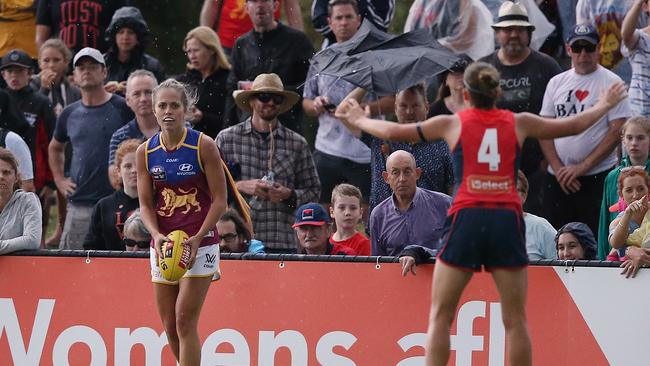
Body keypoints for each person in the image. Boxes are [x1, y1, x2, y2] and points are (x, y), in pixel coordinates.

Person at [335, 61, 627, 366]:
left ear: (465, 94)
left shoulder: (454, 123)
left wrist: (359, 118)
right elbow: (573, 125)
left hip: (468, 218)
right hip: (505, 220)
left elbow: (396, 131)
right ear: (498, 92)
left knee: (441, 316)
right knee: (515, 321)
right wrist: (605, 104)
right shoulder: (518, 122)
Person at [136, 78, 227, 366]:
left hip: (200, 243)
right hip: (163, 245)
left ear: (186, 110)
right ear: (153, 108)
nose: (168, 111)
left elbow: (220, 201)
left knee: (185, 320)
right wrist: (155, 234)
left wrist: (199, 236)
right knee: (169, 325)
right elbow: (146, 204)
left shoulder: (204, 145)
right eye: (162, 105)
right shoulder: (145, 152)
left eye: (175, 105)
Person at [540, 23, 631, 235]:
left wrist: (581, 167)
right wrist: (559, 167)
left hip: (596, 175)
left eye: (588, 48)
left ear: (598, 48)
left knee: (596, 235)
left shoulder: (612, 82)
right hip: (559, 177)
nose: (583, 54)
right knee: (557, 235)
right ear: (568, 49)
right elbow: (544, 128)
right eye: (577, 47)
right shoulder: (556, 82)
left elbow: (616, 131)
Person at [216, 73, 320, 253]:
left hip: (283, 240)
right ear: (251, 101)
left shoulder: (297, 143)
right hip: (237, 242)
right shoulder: (226, 139)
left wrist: (289, 195)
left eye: (277, 99)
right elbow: (209, 188)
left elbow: (314, 191)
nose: (271, 102)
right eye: (264, 97)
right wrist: (239, 186)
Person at [304, 0, 393, 205]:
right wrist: (316, 104)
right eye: (338, 18)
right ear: (330, 22)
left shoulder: (375, 57)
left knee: (366, 213)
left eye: (348, 17)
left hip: (364, 150)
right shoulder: (321, 58)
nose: (343, 22)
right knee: (326, 215)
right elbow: (306, 102)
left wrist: (365, 109)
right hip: (327, 149)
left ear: (359, 20)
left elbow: (392, 101)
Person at [480, 1, 563, 215]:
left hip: (537, 168)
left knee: (536, 227)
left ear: (529, 34)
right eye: (508, 29)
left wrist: (549, 161)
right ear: (498, 34)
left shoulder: (548, 67)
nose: (514, 34)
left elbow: (561, 117)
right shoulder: (482, 69)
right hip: (493, 167)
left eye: (519, 29)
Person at [49, 47, 133, 250]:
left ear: (104, 72)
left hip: (118, 202)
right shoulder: (69, 113)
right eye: (81, 68)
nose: (86, 71)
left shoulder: (123, 107)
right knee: (71, 269)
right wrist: (59, 179)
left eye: (93, 66)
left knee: (121, 267)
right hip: (80, 202)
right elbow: (55, 147)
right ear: (74, 76)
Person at [359, 84, 453, 212]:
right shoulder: (381, 136)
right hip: (384, 223)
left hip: (431, 225)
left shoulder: (443, 144)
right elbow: (343, 112)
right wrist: (367, 84)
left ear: (426, 107)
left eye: (415, 106)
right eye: (403, 106)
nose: (409, 112)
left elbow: (452, 189)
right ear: (395, 108)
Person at [224, 0, 314, 133]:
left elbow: (312, 83)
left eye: (265, 0)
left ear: (275, 6)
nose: (260, 5)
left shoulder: (297, 41)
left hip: (287, 126)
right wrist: (228, 127)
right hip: (248, 128)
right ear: (246, 7)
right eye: (254, 1)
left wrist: (274, 94)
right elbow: (232, 89)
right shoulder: (241, 44)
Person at [370, 150, 452, 256]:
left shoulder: (444, 204)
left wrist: (424, 254)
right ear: (386, 177)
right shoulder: (378, 215)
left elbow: (458, 249)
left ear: (417, 174)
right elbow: (377, 264)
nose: (402, 179)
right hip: (394, 273)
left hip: (437, 272)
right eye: (395, 173)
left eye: (407, 172)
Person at [1, 49, 56, 194]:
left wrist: (50, 182)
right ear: (3, 74)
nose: (14, 75)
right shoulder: (1, 101)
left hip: (35, 177)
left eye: (19, 71)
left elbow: (51, 143)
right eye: (10, 71)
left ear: (30, 73)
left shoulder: (41, 102)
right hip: (3, 176)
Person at [598, 116, 650, 259]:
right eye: (629, 138)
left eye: (640, 138)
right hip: (617, 252)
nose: (634, 143)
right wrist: (602, 259)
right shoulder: (612, 177)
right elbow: (605, 219)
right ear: (623, 140)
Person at [83, 139, 140, 251]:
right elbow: (91, 246)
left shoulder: (157, 202)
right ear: (118, 171)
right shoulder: (104, 206)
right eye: (128, 166)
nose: (134, 170)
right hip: (111, 266)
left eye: (139, 165)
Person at [176, 26, 231, 138]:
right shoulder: (182, 81)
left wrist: (203, 117)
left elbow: (232, 120)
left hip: (219, 142)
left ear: (211, 49)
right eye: (189, 51)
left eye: (196, 50)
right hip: (187, 143)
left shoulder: (229, 79)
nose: (192, 56)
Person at [108, 70, 159, 187]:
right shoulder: (119, 137)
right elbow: (115, 179)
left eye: (148, 92)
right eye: (136, 94)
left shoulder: (180, 128)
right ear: (127, 100)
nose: (143, 99)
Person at [199, 0, 304, 54]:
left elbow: (292, 7)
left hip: (270, 43)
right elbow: (212, 4)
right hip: (227, 43)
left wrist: (299, 42)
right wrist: (204, 41)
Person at [103, 6, 165, 93]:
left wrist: (135, 92)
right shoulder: (101, 64)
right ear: (114, 36)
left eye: (130, 32)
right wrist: (102, 92)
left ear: (138, 37)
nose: (125, 37)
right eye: (121, 32)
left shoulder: (152, 66)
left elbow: (161, 97)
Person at [35, 0, 129, 53]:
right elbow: (41, 38)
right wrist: (50, 65)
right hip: (62, 67)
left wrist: (111, 65)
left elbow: (123, 32)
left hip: (101, 65)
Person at [0, 148, 42, 255]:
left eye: (6, 173)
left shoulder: (28, 200)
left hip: (19, 268)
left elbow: (32, 240)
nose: (1, 177)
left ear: (16, 177)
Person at [31, 38, 81, 118]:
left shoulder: (74, 91)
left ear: (66, 62)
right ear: (40, 63)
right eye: (46, 60)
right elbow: (31, 115)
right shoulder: (31, 85)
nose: (51, 65)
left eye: (56, 60)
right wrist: (44, 89)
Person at [311, 0, 395, 46]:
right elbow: (319, 22)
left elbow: (381, 26)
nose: (344, 23)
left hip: (371, 50)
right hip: (333, 49)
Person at [607, 167, 649, 259]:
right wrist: (627, 215)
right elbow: (616, 244)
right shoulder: (616, 222)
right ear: (621, 194)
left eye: (641, 189)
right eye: (629, 190)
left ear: (648, 190)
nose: (636, 195)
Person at [517, 170, 558, 261]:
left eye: (515, 190)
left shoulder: (540, 226)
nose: (510, 196)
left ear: (524, 196)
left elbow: (561, 267)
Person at [621, 0, 650, 117]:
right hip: (638, 118)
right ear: (645, 6)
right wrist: (638, 3)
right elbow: (626, 34)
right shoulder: (640, 38)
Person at [329, 183, 370, 255]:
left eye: (353, 208)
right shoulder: (326, 242)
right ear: (332, 212)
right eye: (341, 208)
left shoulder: (364, 244)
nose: (347, 213)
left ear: (360, 213)